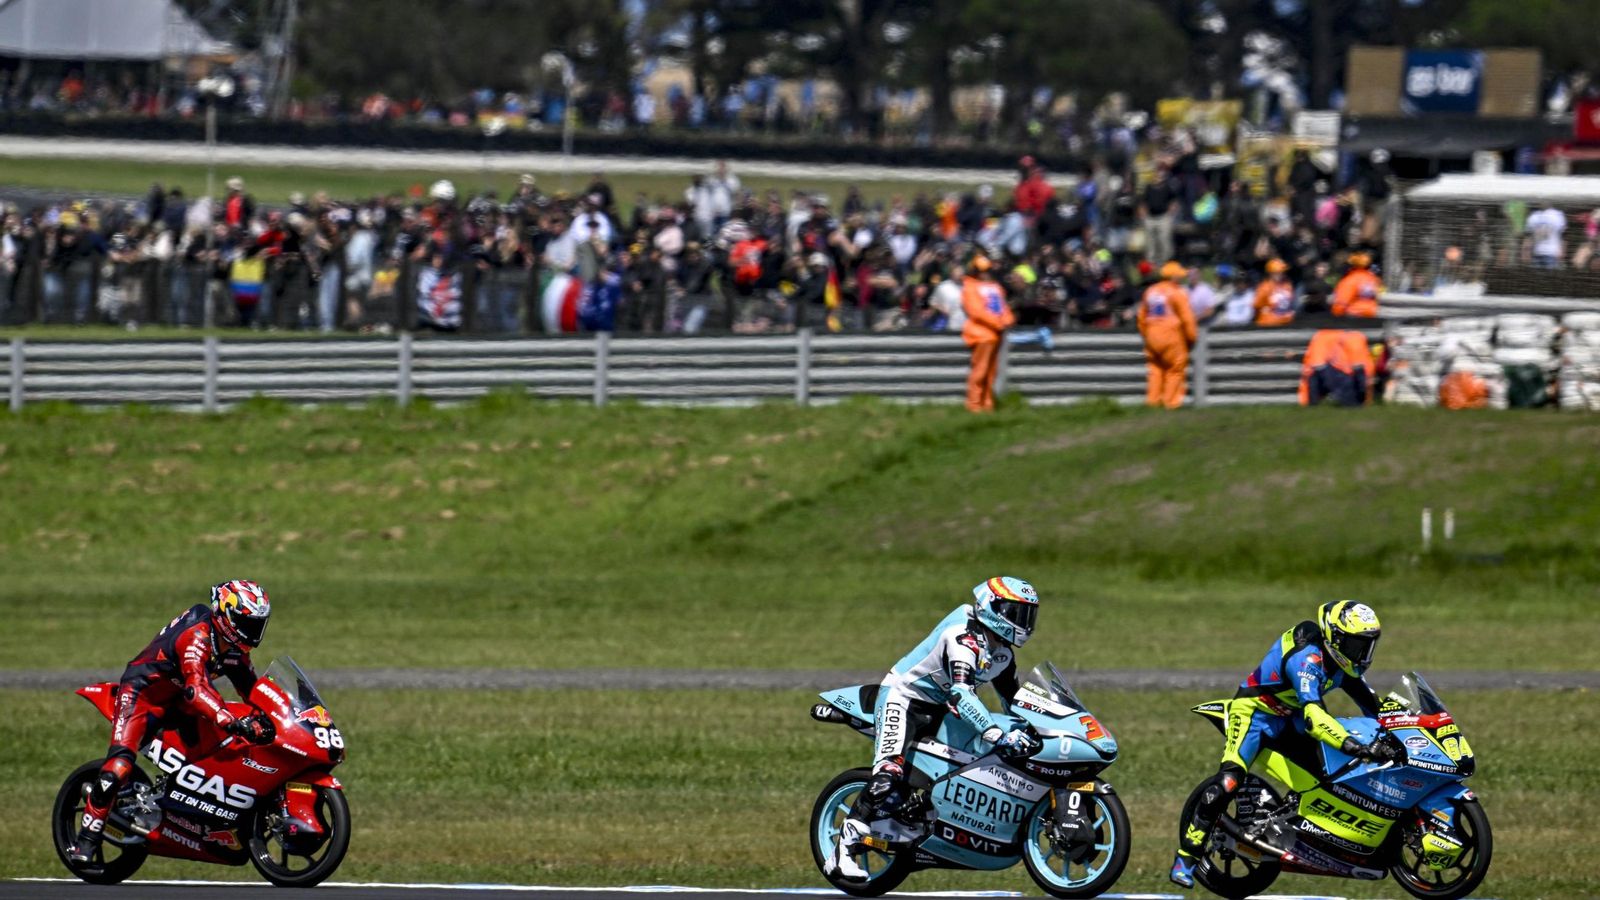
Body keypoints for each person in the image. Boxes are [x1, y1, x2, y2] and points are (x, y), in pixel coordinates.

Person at [826, 577, 1043, 882]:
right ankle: (844, 847)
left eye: (1027, 615)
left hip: (941, 708)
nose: (1023, 622)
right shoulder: (962, 638)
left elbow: (1014, 701)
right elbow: (961, 694)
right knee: (889, 772)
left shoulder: (1002, 654)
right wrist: (995, 733)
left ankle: (926, 815)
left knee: (967, 765)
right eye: (1016, 613)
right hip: (905, 700)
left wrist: (1042, 729)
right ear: (992, 608)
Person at [1169, 602, 1392, 889]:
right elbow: (1314, 717)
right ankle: (1187, 857)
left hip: (1290, 716)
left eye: (1366, 646)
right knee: (1228, 782)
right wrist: (1352, 745)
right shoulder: (1307, 660)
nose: (1360, 653)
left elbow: (1375, 707)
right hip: (1255, 713)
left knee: (1331, 776)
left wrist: (1405, 725)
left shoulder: (1341, 663)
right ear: (1334, 638)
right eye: (1354, 644)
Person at [69, 581, 275, 864]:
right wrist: (228, 718)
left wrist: (276, 714)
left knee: (223, 753)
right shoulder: (198, 636)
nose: (253, 631)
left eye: (257, 624)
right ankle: (86, 839)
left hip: (181, 703)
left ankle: (198, 816)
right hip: (143, 696)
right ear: (226, 616)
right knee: (118, 767)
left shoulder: (235, 649)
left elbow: (253, 689)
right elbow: (197, 689)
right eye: (246, 622)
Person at [1137, 261, 1198, 408]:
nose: (1182, 278)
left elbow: (1141, 317)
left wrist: (1147, 335)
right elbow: (1187, 318)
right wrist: (1191, 337)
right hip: (1171, 335)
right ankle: (1170, 403)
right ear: (1173, 277)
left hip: (1152, 336)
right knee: (1175, 369)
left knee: (1155, 369)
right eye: (1180, 276)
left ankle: (1152, 401)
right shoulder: (1177, 293)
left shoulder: (1150, 291)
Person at [960, 253, 1014, 412]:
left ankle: (987, 404)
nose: (985, 273)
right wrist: (998, 323)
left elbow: (1003, 308)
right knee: (980, 372)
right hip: (981, 334)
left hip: (996, 334)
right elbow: (976, 312)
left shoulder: (995, 287)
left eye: (987, 269)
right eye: (981, 270)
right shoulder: (969, 286)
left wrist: (1008, 320)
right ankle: (974, 405)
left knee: (992, 372)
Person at [1331, 252, 1381, 317]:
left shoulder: (1351, 279)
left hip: (1355, 317)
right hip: (1372, 315)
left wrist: (1336, 312)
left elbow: (1341, 303)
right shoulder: (1373, 279)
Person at [1252, 259, 1296, 327]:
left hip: (1287, 322)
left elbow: (1290, 302)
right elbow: (1256, 305)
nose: (1281, 274)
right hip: (1269, 325)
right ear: (1271, 273)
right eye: (1278, 272)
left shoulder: (1287, 285)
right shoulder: (1264, 287)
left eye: (1282, 272)